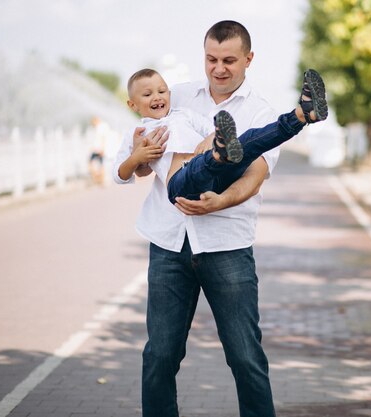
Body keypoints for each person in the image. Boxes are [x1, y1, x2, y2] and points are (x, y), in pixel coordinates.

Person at [112, 20, 309, 417]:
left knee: (245, 357)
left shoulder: (259, 110)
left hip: (226, 245)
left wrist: (218, 203)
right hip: (169, 242)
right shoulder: (173, 96)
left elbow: (255, 177)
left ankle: (296, 119)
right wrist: (140, 156)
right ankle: (230, 145)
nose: (219, 68)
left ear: (248, 60)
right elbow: (138, 165)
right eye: (211, 59)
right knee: (160, 356)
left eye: (229, 61)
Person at [116, 68, 327, 203]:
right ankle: (218, 155)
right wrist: (137, 158)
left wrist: (210, 138)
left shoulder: (183, 115)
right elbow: (120, 176)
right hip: (181, 185)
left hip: (218, 179)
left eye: (162, 91)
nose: (157, 97)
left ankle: (301, 115)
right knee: (201, 163)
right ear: (132, 105)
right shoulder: (137, 134)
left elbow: (213, 129)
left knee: (249, 140)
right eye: (147, 94)